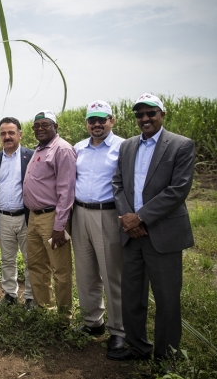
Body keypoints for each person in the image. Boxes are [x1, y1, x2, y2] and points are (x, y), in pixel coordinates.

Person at [109, 94, 195, 362]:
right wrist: (127, 218)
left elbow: (177, 190)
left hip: (162, 235)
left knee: (167, 299)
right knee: (132, 295)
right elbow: (118, 184)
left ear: (162, 114)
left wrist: (141, 217)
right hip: (132, 235)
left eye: (150, 113)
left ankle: (165, 357)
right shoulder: (128, 146)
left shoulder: (180, 145)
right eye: (139, 114)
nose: (144, 118)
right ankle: (137, 347)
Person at [72, 101, 125, 353]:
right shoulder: (78, 148)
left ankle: (119, 330)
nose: (96, 124)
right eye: (92, 120)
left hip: (108, 215)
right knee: (85, 272)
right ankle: (93, 322)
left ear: (111, 121)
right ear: (86, 124)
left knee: (112, 274)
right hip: (80, 213)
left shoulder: (123, 147)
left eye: (102, 119)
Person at [22, 110, 76, 315]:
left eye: (45, 124)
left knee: (60, 269)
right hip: (35, 218)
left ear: (56, 127)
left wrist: (59, 226)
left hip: (52, 218)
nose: (40, 129)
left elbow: (66, 190)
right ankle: (44, 310)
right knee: (36, 265)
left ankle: (64, 315)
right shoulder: (39, 149)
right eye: (36, 126)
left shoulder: (62, 149)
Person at [0, 117, 34, 307]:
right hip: (3, 217)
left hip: (26, 217)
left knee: (31, 259)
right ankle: (10, 294)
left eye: (11, 133)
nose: (7, 137)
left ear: (20, 134)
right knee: (7, 259)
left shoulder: (31, 156)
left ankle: (31, 296)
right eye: (3, 133)